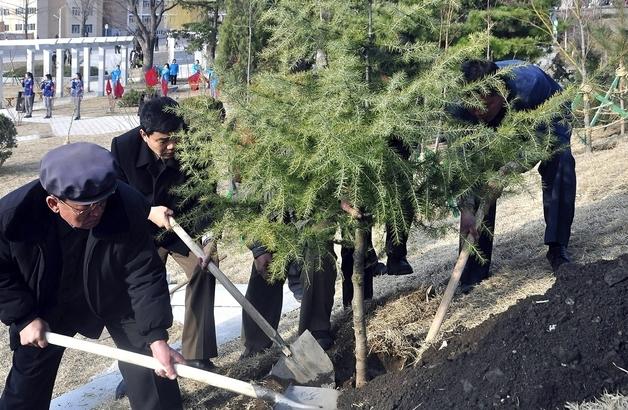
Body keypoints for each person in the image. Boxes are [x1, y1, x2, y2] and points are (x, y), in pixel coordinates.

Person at [0, 142, 184, 410]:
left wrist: (156, 336)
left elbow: (144, 272)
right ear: (54, 203)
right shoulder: (13, 217)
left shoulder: (126, 203)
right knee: (26, 387)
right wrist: (24, 317)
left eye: (101, 204)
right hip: (46, 303)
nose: (97, 213)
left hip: (113, 291)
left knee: (151, 361)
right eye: (85, 209)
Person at [110, 97, 219, 395]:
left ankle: (197, 354)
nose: (172, 145)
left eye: (176, 137)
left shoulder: (196, 144)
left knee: (205, 269)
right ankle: (142, 364)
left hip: (186, 224)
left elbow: (208, 194)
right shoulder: (122, 148)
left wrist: (209, 238)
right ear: (144, 135)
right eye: (163, 140)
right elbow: (116, 195)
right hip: (141, 229)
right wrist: (147, 211)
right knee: (137, 291)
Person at [453, 59, 576, 290]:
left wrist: (508, 170)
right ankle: (473, 270)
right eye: (473, 107)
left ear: (501, 93)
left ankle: (557, 247)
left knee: (561, 160)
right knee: (479, 182)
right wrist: (467, 209)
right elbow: (462, 164)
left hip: (545, 120)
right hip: (498, 130)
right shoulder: (459, 107)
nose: (479, 112)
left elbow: (546, 140)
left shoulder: (532, 86)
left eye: (486, 105)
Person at [242, 238, 337, 357]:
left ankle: (315, 331)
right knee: (265, 265)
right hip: (273, 231)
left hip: (313, 231)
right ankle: (255, 344)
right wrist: (259, 249)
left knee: (318, 250)